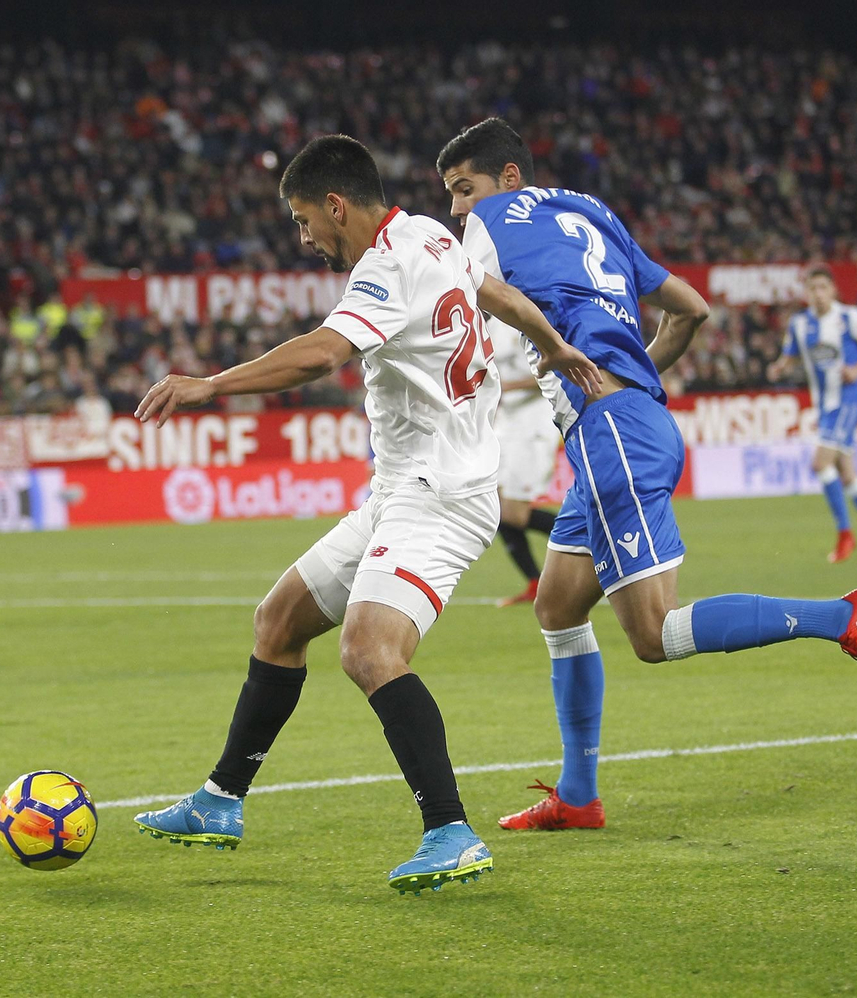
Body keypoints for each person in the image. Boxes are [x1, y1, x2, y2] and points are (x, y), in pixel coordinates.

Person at [131, 134, 601, 891]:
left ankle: (450, 830)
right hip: (401, 489)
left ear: (335, 204)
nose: (304, 236)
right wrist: (553, 342)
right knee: (278, 621)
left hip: (441, 494)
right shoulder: (432, 233)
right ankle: (221, 799)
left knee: (369, 651)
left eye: (302, 219)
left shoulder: (387, 262)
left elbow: (322, 353)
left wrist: (208, 385)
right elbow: (495, 295)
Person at [437, 118, 857, 833]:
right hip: (626, 423)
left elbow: (480, 288)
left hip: (611, 433)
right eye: (450, 197)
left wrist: (556, 347)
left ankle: (843, 617)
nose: (457, 209)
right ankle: (579, 795)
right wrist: (626, 374)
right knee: (558, 607)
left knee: (652, 636)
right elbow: (692, 308)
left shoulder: (493, 219)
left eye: (463, 189)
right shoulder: (593, 212)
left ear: (506, 177)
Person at [766, 267, 857, 563]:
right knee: (848, 475)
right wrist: (779, 367)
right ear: (807, 293)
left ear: (833, 290)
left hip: (848, 401)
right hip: (825, 405)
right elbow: (790, 356)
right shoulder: (800, 324)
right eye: (812, 288)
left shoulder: (851, 318)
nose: (818, 293)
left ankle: (845, 535)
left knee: (820, 462)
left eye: (823, 287)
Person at [489, 314, 564, 607]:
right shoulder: (489, 324)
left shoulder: (527, 318)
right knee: (494, 506)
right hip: (506, 426)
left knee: (514, 514)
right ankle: (535, 583)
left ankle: (595, 539)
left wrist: (506, 387)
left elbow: (554, 370)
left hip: (534, 426)